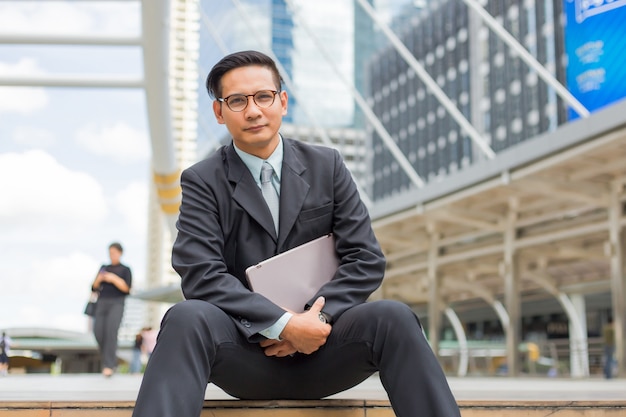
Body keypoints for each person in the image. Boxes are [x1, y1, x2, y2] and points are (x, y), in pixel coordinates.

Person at [132, 50, 461, 417]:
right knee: (185, 317)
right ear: (219, 112)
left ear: (282, 101)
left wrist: (314, 321)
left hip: (326, 351)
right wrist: (283, 325)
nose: (253, 110)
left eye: (263, 96)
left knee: (395, 318)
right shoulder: (202, 181)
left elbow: (365, 259)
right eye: (237, 101)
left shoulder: (328, 166)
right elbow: (201, 274)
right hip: (244, 356)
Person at [91, 242, 132, 377]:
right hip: (102, 302)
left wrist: (113, 279)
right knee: (98, 332)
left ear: (120, 253)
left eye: (114, 253)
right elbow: (94, 287)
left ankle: (108, 365)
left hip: (117, 303)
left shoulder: (125, 270)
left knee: (111, 332)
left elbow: (127, 289)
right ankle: (111, 361)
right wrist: (100, 278)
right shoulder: (104, 267)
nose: (112, 255)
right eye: (110, 253)